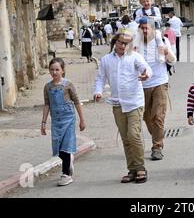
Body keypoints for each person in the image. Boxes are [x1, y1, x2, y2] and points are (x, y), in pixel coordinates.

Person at [94, 31, 152, 184]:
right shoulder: (106, 60)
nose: (123, 46)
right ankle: (132, 170)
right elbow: (100, 78)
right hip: (118, 104)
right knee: (126, 139)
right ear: (115, 42)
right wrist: (98, 91)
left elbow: (145, 68)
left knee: (134, 135)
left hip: (135, 103)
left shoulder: (134, 57)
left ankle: (140, 168)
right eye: (120, 42)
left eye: (126, 43)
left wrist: (146, 74)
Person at [133, 17, 176, 161]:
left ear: (153, 29)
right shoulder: (135, 43)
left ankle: (157, 147)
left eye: (147, 28)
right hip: (142, 85)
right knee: (147, 117)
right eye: (142, 28)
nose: (145, 31)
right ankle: (158, 137)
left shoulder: (162, 41)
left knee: (158, 115)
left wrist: (165, 53)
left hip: (160, 82)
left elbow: (172, 60)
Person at [41, 58, 86, 186]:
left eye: (57, 69)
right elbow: (47, 105)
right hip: (56, 121)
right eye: (52, 70)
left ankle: (66, 174)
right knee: (59, 148)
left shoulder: (68, 85)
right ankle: (69, 160)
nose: (54, 72)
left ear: (62, 70)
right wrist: (43, 123)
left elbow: (77, 102)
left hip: (69, 119)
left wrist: (82, 120)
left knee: (66, 146)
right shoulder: (47, 87)